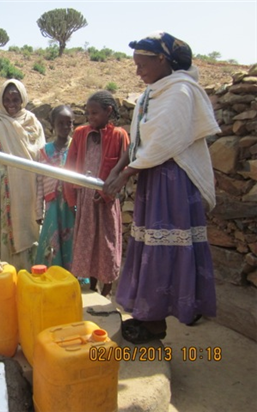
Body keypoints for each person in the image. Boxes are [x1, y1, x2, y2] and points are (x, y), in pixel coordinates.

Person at [103, 31, 220, 344]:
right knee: (151, 249)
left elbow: (163, 141)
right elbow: (140, 138)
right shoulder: (150, 94)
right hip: (154, 178)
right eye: (135, 64)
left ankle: (156, 320)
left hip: (174, 182)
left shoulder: (181, 92)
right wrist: (118, 168)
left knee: (164, 249)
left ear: (163, 60)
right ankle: (149, 318)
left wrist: (126, 172)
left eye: (142, 64)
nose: (138, 70)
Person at [64, 91, 130, 297]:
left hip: (106, 202)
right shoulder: (81, 134)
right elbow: (71, 165)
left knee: (106, 245)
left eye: (94, 113)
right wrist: (71, 198)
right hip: (85, 199)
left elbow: (123, 169)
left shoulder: (119, 135)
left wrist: (107, 195)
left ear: (108, 111)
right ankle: (91, 289)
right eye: (88, 113)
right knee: (88, 244)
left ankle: (106, 291)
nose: (90, 117)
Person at [0, 79, 46, 270]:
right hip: (0, 185)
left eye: (16, 99)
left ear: (23, 99)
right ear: (0, 99)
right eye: (7, 99)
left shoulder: (32, 122)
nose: (11, 104)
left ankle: (25, 270)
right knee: (2, 226)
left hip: (27, 185)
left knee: (27, 225)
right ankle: (1, 271)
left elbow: (40, 154)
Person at [34, 105, 75, 270]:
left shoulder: (76, 148)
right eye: (61, 123)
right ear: (53, 125)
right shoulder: (44, 151)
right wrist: (38, 210)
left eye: (69, 123)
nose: (65, 127)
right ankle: (51, 275)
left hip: (72, 205)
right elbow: (39, 181)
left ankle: (75, 278)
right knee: (51, 240)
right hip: (52, 205)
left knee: (72, 240)